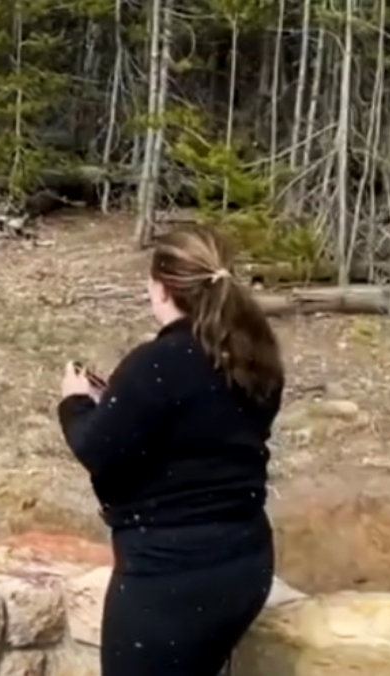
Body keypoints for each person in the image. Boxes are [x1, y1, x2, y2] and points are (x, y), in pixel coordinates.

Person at [57, 224, 285, 676]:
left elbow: (95, 447)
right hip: (244, 562)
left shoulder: (157, 364)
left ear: (161, 288)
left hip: (170, 578)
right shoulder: (253, 355)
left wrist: (75, 402)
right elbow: (202, 432)